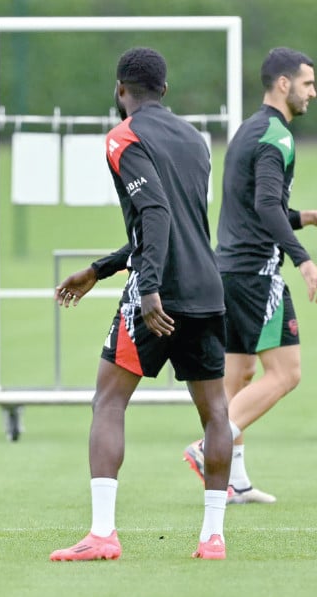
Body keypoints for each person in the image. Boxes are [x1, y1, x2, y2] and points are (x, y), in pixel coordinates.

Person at [48, 47, 232, 561]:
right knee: (216, 412)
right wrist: (100, 269)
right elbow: (183, 225)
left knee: (108, 401)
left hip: (159, 296)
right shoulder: (196, 139)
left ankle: (103, 534)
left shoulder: (123, 136)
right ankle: (212, 538)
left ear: (120, 89)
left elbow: (155, 214)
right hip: (207, 289)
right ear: (165, 90)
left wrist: (147, 287)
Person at [183, 48, 317, 504]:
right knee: (287, 373)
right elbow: (264, 207)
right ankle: (208, 448)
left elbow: (257, 207)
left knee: (237, 376)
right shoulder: (277, 136)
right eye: (307, 84)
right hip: (258, 274)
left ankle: (234, 479)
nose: (312, 93)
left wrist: (306, 217)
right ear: (283, 84)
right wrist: (301, 257)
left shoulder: (248, 130)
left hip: (230, 268)